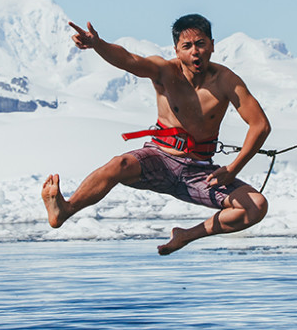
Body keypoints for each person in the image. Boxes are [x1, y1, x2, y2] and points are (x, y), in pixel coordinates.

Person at [41, 14, 271, 255]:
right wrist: (98, 44)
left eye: (201, 44)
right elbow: (129, 59)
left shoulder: (226, 81)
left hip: (199, 172)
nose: (195, 52)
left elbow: (260, 125)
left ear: (212, 45)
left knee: (255, 206)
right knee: (118, 164)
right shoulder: (164, 71)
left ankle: (186, 235)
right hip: (159, 159)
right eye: (187, 46)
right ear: (177, 50)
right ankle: (65, 209)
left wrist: (233, 168)